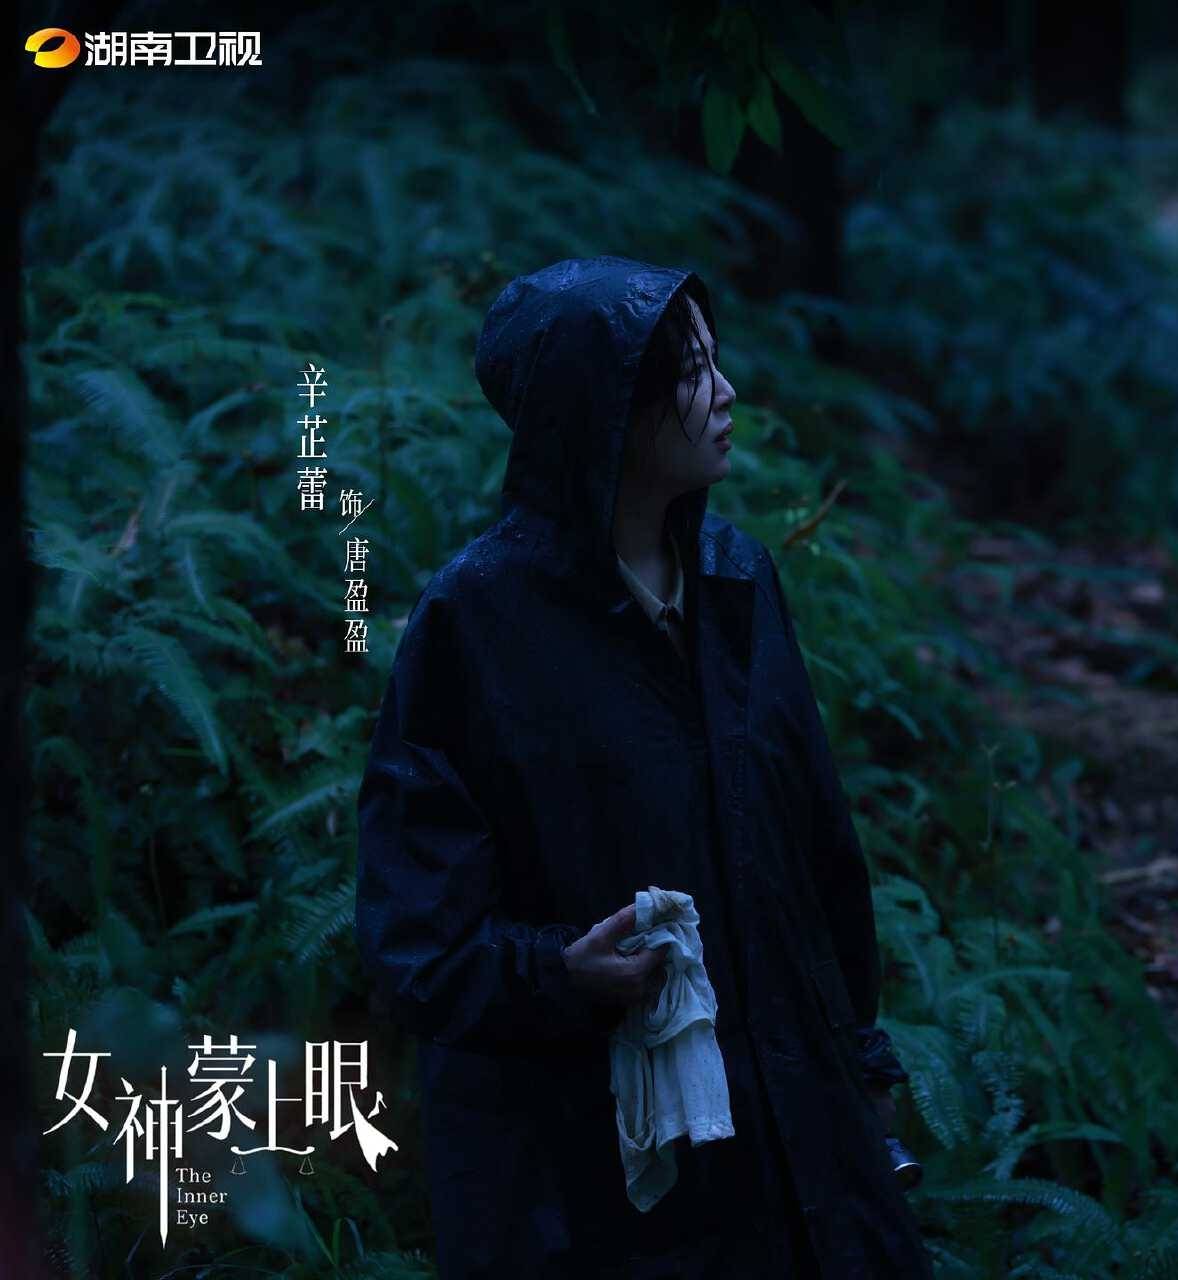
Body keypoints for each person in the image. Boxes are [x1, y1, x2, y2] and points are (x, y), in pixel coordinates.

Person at [354, 256, 933, 1278]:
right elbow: (417, 934)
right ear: (609, 406)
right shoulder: (478, 623)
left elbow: (817, 855)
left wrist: (857, 1060)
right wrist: (557, 972)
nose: (728, 392)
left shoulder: (737, 579)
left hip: (789, 1128)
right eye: (693, 371)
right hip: (589, 1166)